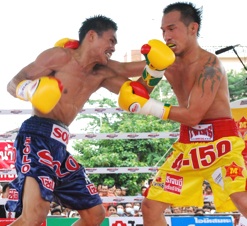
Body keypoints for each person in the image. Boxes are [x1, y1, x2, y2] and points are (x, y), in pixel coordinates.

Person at [6, 15, 147, 226]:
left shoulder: (101, 72)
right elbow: (13, 83)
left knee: (95, 215)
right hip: (37, 136)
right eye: (111, 40)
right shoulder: (59, 57)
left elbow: (140, 89)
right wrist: (31, 90)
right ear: (92, 36)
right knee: (34, 215)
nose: (114, 47)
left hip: (60, 146)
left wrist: (159, 67)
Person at [118, 2, 247, 226]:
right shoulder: (166, 63)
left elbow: (193, 115)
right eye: (163, 30)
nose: (166, 35)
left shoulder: (210, 66)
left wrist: (147, 105)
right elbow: (120, 73)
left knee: (243, 201)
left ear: (192, 28)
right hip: (188, 145)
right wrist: (83, 59)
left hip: (221, 144)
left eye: (171, 28)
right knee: (150, 208)